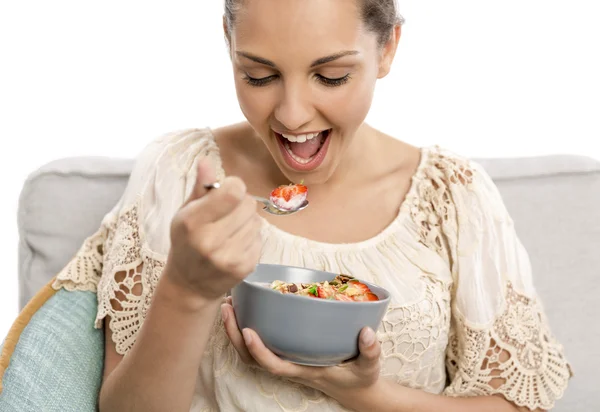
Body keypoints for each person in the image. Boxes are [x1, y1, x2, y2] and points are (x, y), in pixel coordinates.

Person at [53, 0, 572, 411]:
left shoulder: (454, 196)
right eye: (259, 76)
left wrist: (363, 394)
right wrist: (187, 291)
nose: (293, 114)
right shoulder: (180, 174)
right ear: (228, 42)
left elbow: (514, 405)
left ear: (388, 47)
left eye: (331, 76)